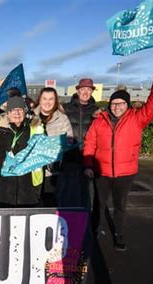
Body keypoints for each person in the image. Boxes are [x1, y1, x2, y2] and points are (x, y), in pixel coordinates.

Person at [83, 65, 153, 251]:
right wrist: (88, 164)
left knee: (120, 206)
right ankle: (94, 231)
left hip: (125, 173)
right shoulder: (99, 120)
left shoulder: (137, 118)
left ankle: (119, 234)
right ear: (109, 104)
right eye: (114, 103)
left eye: (121, 103)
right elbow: (90, 143)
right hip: (101, 171)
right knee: (98, 205)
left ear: (127, 105)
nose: (117, 106)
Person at [0, 96, 44, 207]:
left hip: (28, 191)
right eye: (12, 110)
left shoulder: (35, 131)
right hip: (3, 193)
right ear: (7, 113)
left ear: (25, 112)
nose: (17, 113)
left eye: (20, 109)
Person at [60, 78, 99, 209]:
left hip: (88, 157)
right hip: (69, 156)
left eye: (89, 89)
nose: (86, 92)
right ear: (77, 90)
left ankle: (85, 224)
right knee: (68, 192)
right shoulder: (65, 108)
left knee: (86, 194)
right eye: (83, 89)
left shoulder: (97, 111)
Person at [33, 87, 73, 206]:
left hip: (52, 172)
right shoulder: (30, 116)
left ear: (55, 101)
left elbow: (69, 140)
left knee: (49, 204)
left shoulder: (62, 118)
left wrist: (57, 152)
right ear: (39, 100)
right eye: (44, 98)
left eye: (51, 99)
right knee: (33, 204)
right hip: (33, 170)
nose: (47, 102)